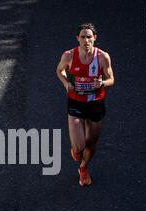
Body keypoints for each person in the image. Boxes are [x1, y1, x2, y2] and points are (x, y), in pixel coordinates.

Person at [56, 22, 114, 187]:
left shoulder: (103, 57)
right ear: (77, 39)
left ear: (94, 38)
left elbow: (112, 79)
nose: (86, 40)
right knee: (79, 147)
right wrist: (66, 83)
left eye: (89, 37)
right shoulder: (68, 56)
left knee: (91, 144)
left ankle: (83, 168)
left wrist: (102, 83)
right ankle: (77, 153)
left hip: (95, 104)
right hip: (76, 102)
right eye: (82, 37)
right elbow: (59, 71)